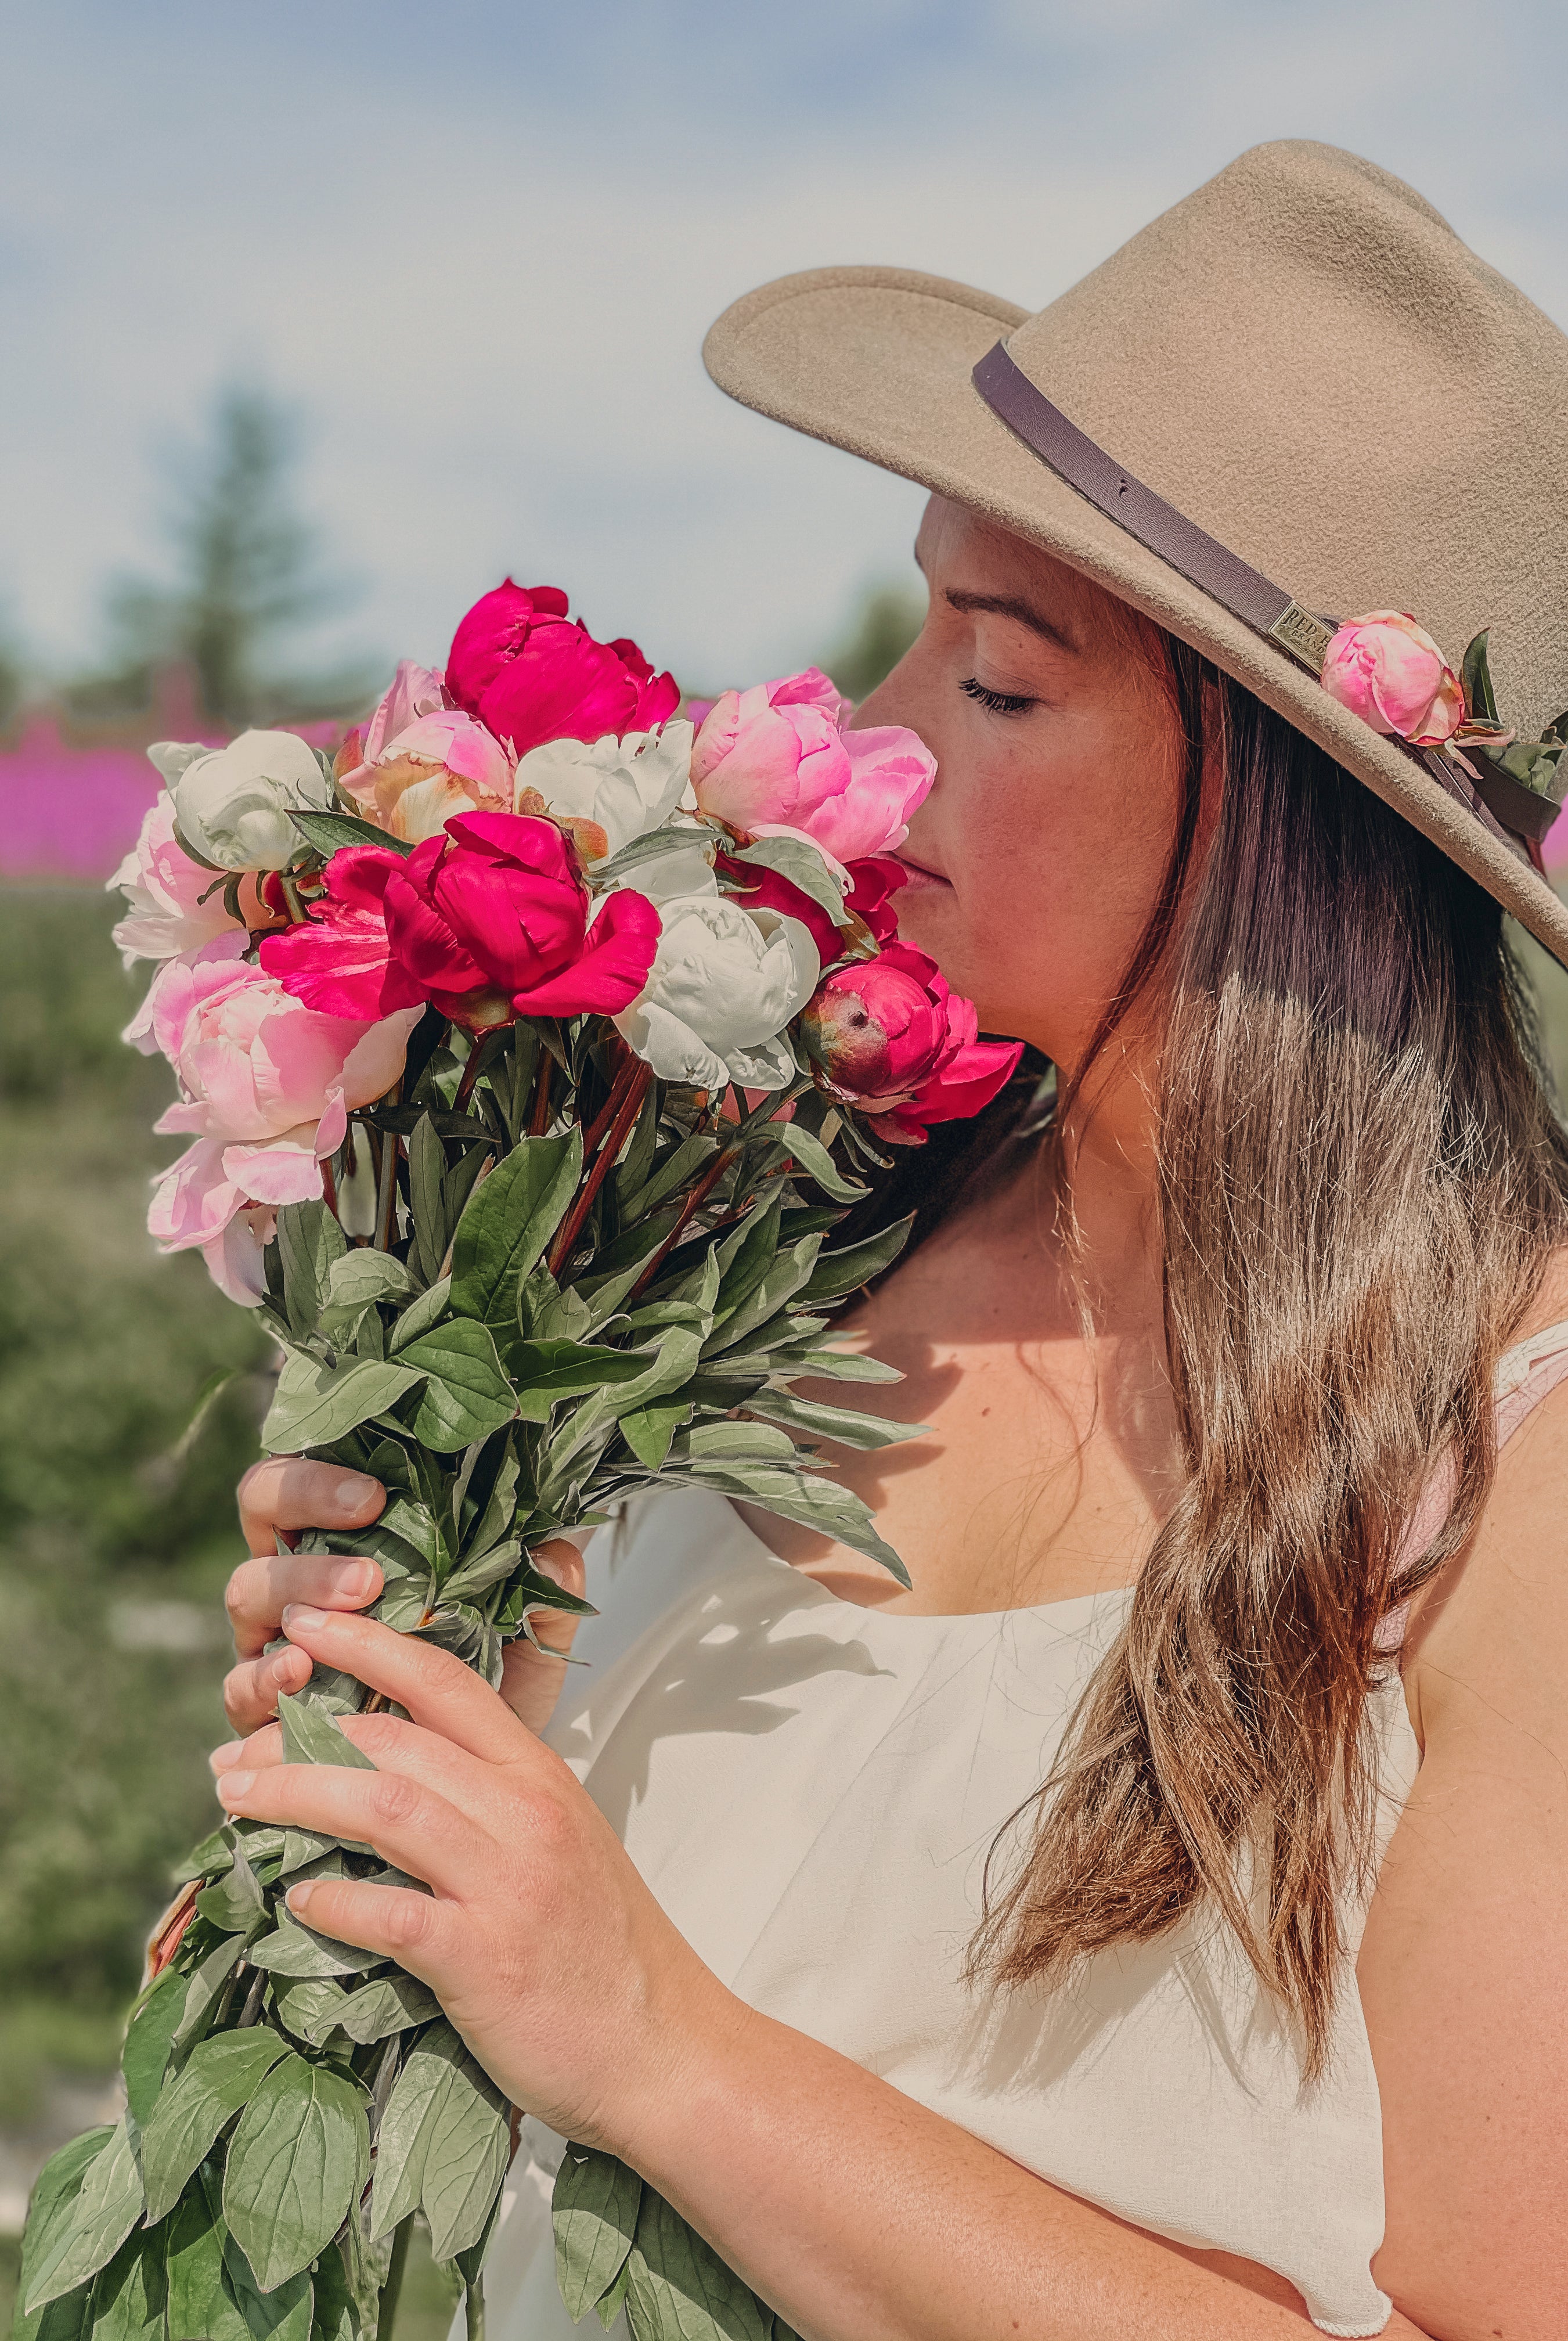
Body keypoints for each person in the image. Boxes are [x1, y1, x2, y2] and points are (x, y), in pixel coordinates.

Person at [208, 142, 1568, 2339]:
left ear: (1286, 824)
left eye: (1001, 680)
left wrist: (664, 2046)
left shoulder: (1518, 1475)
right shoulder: (763, 1228)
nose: (879, 732)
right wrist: (400, 1718)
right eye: (919, 623)